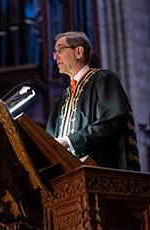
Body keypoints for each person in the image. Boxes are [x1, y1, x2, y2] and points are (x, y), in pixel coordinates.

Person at [46, 31, 140, 171]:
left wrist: (69, 142)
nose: (55, 56)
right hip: (67, 175)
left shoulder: (103, 79)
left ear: (78, 52)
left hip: (100, 171)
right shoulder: (63, 98)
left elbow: (111, 123)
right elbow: (48, 140)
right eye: (54, 52)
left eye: (60, 49)